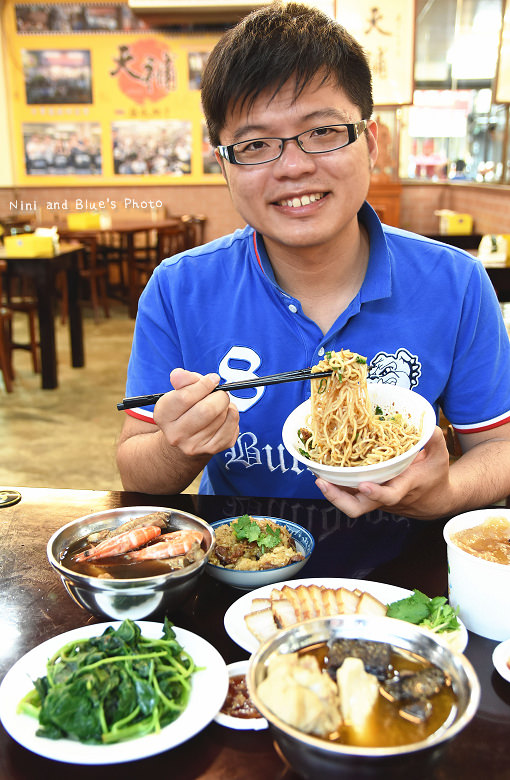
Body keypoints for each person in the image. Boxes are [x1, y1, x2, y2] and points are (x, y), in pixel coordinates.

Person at [116, 1, 510, 520]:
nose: (294, 167)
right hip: (238, 571)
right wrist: (178, 444)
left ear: (370, 143)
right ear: (225, 166)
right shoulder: (179, 288)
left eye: (322, 132)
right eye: (255, 144)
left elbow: (499, 448)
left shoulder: (455, 282)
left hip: (401, 574)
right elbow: (133, 469)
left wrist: (444, 495)